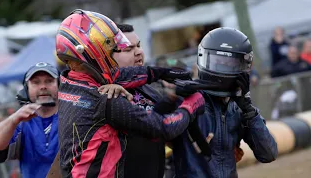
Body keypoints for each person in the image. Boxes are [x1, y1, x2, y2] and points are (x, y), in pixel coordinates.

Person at [55, 9, 205, 178]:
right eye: (111, 51)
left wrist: (162, 72)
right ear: (92, 53)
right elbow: (164, 128)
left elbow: (120, 75)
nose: (111, 57)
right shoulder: (106, 100)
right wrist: (191, 105)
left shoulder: (68, 84)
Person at [171, 27, 278, 178]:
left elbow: (268, 153)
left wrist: (248, 110)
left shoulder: (239, 108)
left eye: (229, 64)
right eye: (217, 62)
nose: (222, 69)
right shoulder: (188, 102)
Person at [112, 23, 165, 178]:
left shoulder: (150, 88)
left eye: (139, 46)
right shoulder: (105, 93)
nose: (139, 52)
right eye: (128, 49)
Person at [0, 62, 60, 178]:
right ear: (26, 89)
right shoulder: (20, 122)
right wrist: (13, 119)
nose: (43, 86)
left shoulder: (72, 116)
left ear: (60, 85)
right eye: (36, 82)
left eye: (49, 81)